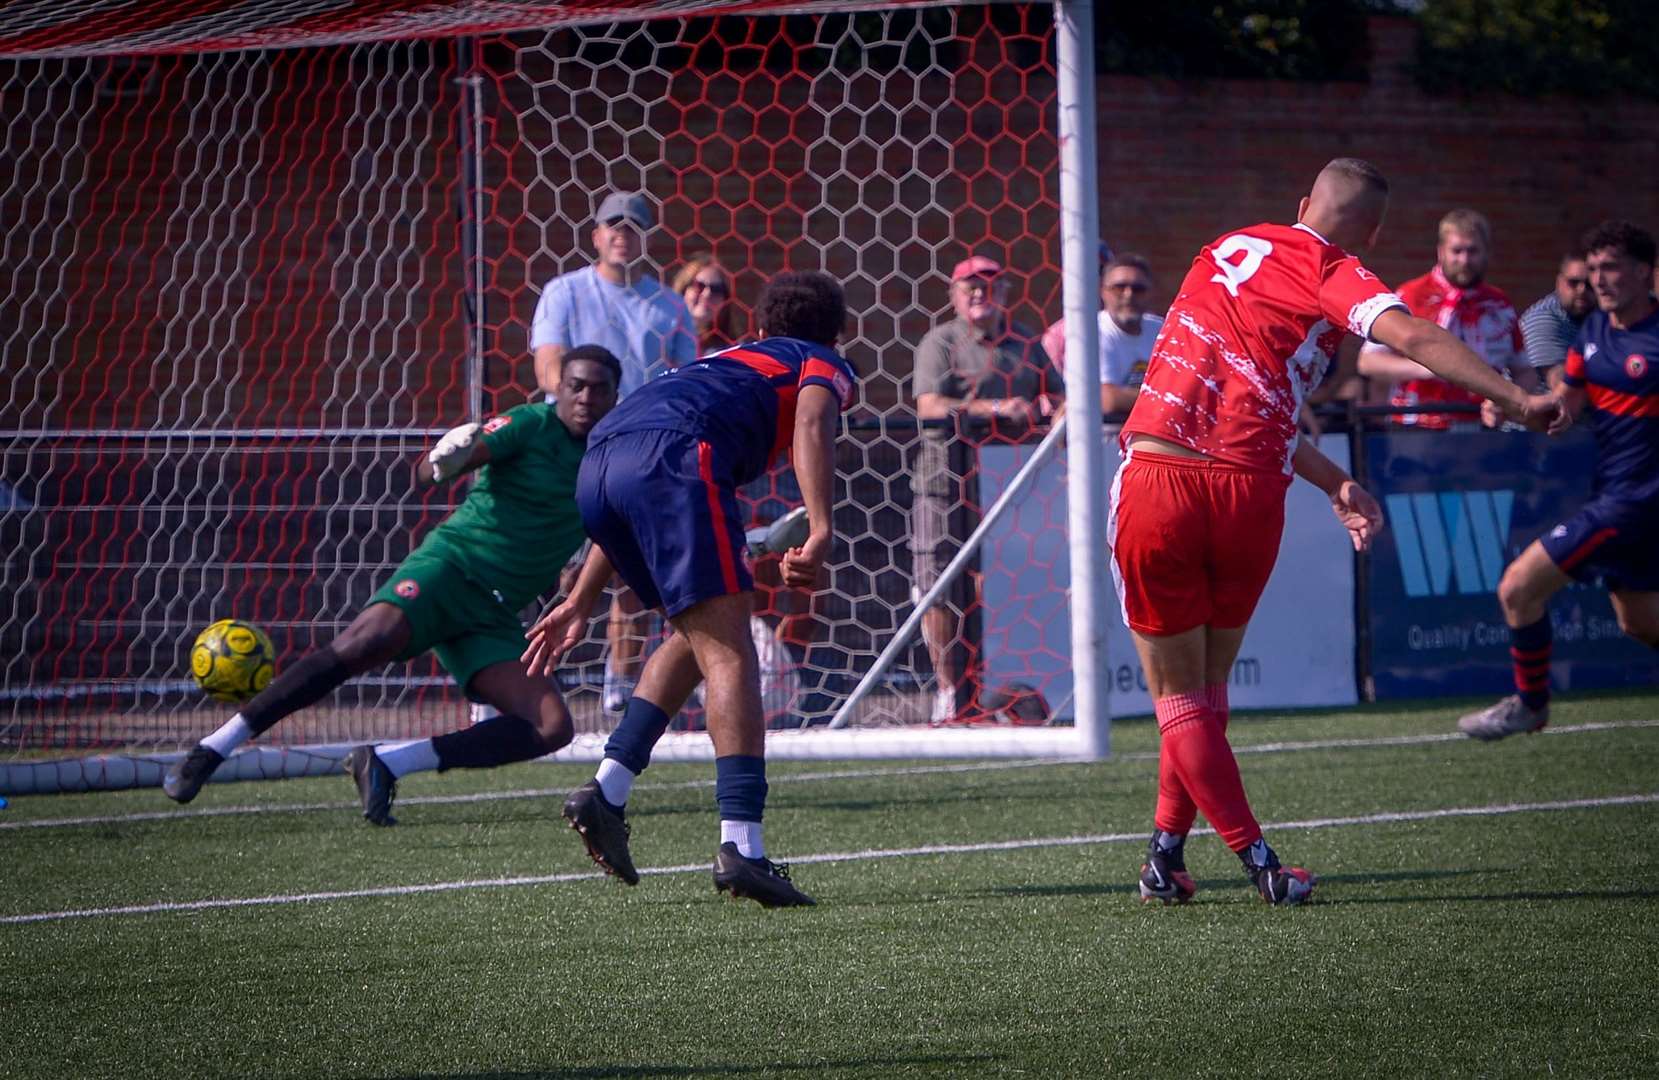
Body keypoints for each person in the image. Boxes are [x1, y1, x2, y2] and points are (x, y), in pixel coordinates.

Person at [1113, 158, 1561, 907]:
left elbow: (1245, 393)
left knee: (1180, 698)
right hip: (1248, 493)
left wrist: (1333, 479)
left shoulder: (1226, 247)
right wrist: (1515, 398)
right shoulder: (1330, 268)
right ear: (1373, 234)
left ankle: (1257, 863)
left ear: (1301, 203)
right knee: (1204, 694)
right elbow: (1412, 334)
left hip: (1162, 476)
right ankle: (1164, 856)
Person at [162, 348, 625, 821]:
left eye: (599, 388)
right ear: (558, 388)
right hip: (449, 569)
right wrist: (444, 457)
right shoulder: (529, 423)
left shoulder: (611, 457)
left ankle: (386, 762)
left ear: (615, 396)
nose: (586, 397)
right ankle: (212, 750)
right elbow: (431, 472)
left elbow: (612, 534)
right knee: (363, 644)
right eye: (576, 386)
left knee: (551, 726)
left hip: (493, 614)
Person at [522, 271, 856, 908]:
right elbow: (813, 421)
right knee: (732, 653)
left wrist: (583, 597)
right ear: (838, 333)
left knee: (698, 632)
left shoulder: (719, 359)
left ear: (760, 329)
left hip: (599, 464)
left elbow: (637, 448)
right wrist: (820, 528)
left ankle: (607, 789)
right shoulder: (821, 359)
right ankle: (743, 848)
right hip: (677, 460)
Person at [1458, 221, 1659, 740]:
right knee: (1639, 623)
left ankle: (1531, 703)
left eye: (1611, 267)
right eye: (1593, 270)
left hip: (1633, 504)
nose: (1600, 279)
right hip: (1616, 495)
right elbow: (1561, 410)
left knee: (1517, 589)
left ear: (1643, 272)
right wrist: (1507, 404)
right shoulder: (1593, 333)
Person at [531, 191, 698, 714]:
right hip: (573, 450)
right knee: (558, 567)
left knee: (632, 568)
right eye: (613, 226)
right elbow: (549, 370)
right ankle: (536, 674)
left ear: (646, 237)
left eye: (633, 226)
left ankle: (618, 687)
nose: (622, 235)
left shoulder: (666, 304)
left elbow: (686, 377)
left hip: (638, 453)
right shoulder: (565, 293)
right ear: (596, 235)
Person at [911, 254, 1063, 724]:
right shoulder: (941, 342)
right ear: (954, 295)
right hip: (944, 483)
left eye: (989, 284)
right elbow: (929, 406)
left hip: (1007, 483)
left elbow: (1058, 398)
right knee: (938, 587)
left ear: (1005, 291)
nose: (979, 293)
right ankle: (946, 690)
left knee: (993, 587)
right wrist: (996, 407)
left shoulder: (1025, 343)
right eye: (968, 286)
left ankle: (991, 689)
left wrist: (1047, 409)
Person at [1358, 208, 1538, 427]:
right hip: (1418, 421)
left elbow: (1525, 370)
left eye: (1473, 251)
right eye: (1457, 251)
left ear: (1487, 252)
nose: (1464, 260)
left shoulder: (1499, 304)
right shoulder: (1411, 295)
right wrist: (1429, 365)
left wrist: (1508, 401)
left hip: (1481, 424)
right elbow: (1368, 362)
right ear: (1441, 252)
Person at [1040, 252, 1162, 416]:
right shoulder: (1090, 332)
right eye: (1119, 287)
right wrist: (1165, 397)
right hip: (1101, 436)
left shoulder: (1161, 329)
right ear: (1103, 291)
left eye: (1138, 289)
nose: (1129, 295)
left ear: (1150, 292)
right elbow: (1107, 400)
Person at [1518, 252, 1595, 390]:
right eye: (1573, 282)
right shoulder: (1543, 318)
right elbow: (1559, 383)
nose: (1582, 290)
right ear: (1559, 283)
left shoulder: (1597, 316)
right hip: (1544, 407)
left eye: (1589, 284)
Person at [671, 252, 740, 352]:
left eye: (717, 289)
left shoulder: (732, 351)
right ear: (683, 289)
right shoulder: (666, 343)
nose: (707, 294)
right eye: (699, 286)